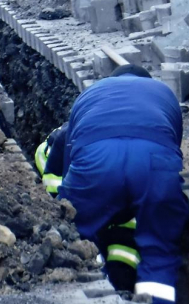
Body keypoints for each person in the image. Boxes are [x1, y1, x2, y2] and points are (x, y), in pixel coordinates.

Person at [42, 64, 189, 304]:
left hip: (96, 159)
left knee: (77, 241)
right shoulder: (163, 92)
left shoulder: (92, 93)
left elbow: (70, 164)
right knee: (159, 251)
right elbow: (172, 147)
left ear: (112, 79)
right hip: (154, 161)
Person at [35, 126, 140, 294]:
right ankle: (100, 274)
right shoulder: (62, 148)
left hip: (117, 208)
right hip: (76, 189)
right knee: (82, 233)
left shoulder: (128, 163)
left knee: (122, 253)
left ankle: (121, 285)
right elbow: (58, 200)